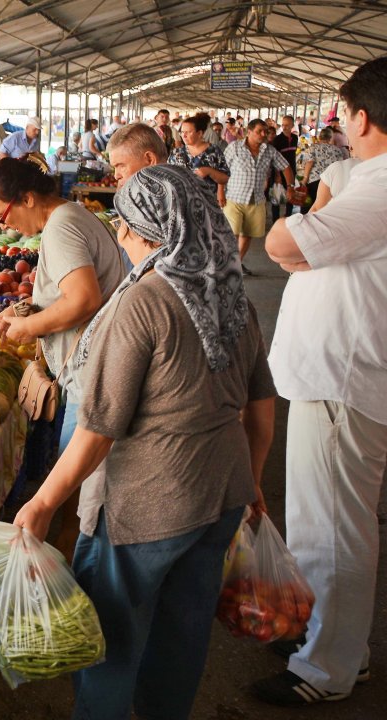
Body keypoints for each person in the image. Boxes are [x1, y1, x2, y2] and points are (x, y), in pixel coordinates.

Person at [13, 164, 276, 720]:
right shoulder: (233, 297)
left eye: (126, 228)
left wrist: (42, 503)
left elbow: (98, 428)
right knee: (182, 636)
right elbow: (261, 411)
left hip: (146, 504)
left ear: (153, 231)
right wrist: (252, 483)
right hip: (222, 494)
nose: (123, 240)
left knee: (109, 639)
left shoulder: (142, 304)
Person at [251, 56, 387, 707]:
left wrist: (299, 223)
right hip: (336, 377)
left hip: (343, 378)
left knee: (334, 528)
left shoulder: (382, 187)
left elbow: (283, 243)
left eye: (343, 114)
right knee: (322, 522)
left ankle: (328, 667)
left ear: (363, 116)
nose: (341, 126)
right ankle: (331, 642)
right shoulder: (366, 180)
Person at [0, 158, 127, 556]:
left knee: (76, 493)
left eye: (3, 215)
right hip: (98, 366)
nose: (5, 226)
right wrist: (24, 308)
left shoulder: (61, 228)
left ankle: (70, 570)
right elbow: (69, 292)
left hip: (91, 374)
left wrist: (30, 328)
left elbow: (83, 299)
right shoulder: (74, 215)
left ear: (27, 197)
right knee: (76, 486)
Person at [223, 118, 294, 274]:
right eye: (259, 131)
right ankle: (229, 264)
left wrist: (290, 187)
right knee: (232, 235)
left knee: (248, 234)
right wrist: (219, 192)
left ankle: (236, 264)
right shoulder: (234, 148)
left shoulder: (269, 150)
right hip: (234, 198)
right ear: (249, 132)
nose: (263, 134)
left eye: (265, 131)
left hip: (257, 200)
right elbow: (222, 170)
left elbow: (286, 167)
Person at [170, 112, 230, 206]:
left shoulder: (213, 151)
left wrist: (209, 171)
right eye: (182, 132)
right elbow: (169, 176)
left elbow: (225, 178)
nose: (184, 136)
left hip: (208, 203)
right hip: (183, 203)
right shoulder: (177, 153)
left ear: (199, 133)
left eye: (188, 132)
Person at [298, 127, 350, 209]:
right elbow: (340, 166)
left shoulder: (313, 147)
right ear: (330, 138)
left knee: (310, 206)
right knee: (324, 207)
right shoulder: (337, 150)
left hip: (314, 181)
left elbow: (310, 162)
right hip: (330, 182)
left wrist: (305, 178)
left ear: (320, 137)